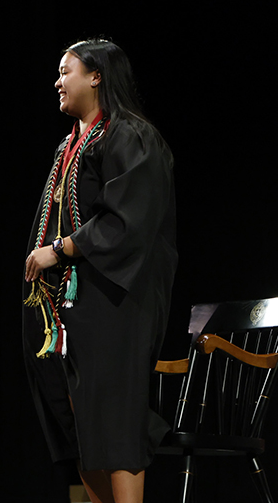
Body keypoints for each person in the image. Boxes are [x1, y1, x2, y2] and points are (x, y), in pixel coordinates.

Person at [22, 39, 177, 503]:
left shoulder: (130, 136)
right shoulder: (70, 146)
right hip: (77, 305)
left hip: (116, 301)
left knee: (115, 420)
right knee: (81, 423)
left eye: (65, 70)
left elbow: (127, 222)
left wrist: (61, 248)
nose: (57, 81)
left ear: (96, 76)